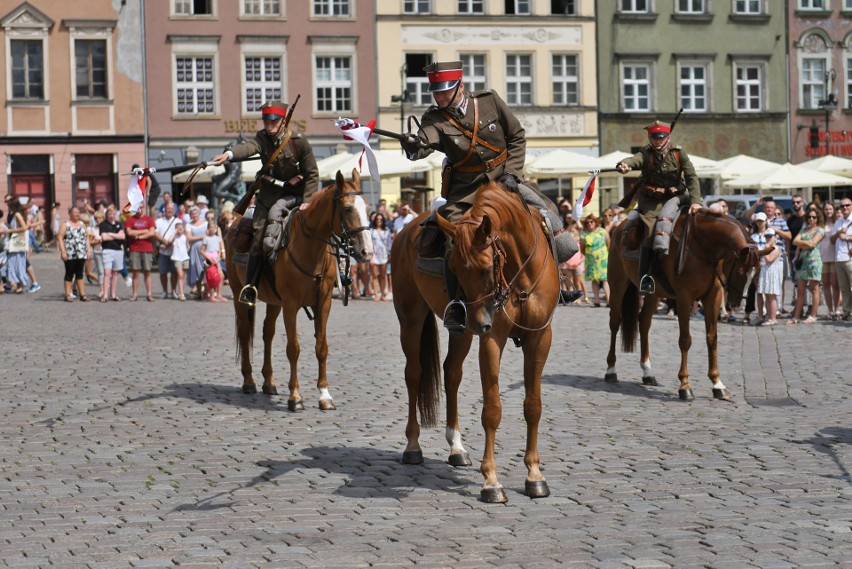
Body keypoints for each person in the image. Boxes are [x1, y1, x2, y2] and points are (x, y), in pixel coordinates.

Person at [400, 60, 579, 332]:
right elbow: (424, 144)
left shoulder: (489, 101)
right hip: (465, 192)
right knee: (455, 239)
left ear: (459, 86)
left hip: (504, 180)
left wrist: (512, 173)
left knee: (546, 212)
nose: (439, 96)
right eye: (435, 92)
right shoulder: (434, 119)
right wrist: (413, 147)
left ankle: (556, 284)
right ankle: (457, 304)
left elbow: (516, 136)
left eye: (444, 90)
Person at [210, 100, 319, 306]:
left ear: (283, 121)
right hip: (268, 197)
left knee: (319, 229)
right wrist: (228, 154)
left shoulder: (299, 142)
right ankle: (250, 286)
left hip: (297, 196)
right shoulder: (262, 138)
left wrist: (308, 201)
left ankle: (332, 277)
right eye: (266, 122)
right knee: (259, 234)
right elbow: (248, 148)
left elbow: (312, 173)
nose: (269, 126)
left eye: (273, 122)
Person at [615, 120, 702, 295]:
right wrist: (624, 165)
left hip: (677, 197)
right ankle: (645, 277)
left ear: (668, 137)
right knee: (651, 231)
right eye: (655, 138)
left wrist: (695, 201)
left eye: (661, 138)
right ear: (650, 138)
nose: (658, 141)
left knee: (702, 224)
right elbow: (634, 160)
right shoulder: (646, 153)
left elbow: (691, 176)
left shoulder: (678, 153)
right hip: (651, 202)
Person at [788, 208, 825, 324]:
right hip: (803, 261)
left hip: (814, 261)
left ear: (818, 218)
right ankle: (796, 317)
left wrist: (803, 243)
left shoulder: (820, 230)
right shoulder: (804, 229)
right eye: (809, 217)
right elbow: (794, 241)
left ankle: (813, 315)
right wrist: (806, 243)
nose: (811, 219)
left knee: (814, 288)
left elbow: (813, 243)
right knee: (800, 290)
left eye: (814, 217)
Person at [750, 213, 782, 326]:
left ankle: (772, 317)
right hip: (764, 271)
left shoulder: (775, 248)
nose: (768, 238)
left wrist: (767, 246)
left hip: (771, 273)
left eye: (770, 237)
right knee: (765, 294)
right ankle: (767, 316)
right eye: (767, 237)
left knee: (771, 295)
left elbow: (768, 259)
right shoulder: (757, 238)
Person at [124, 206, 157, 302]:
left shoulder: (149, 219)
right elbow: (129, 232)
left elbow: (152, 233)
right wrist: (144, 231)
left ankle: (149, 294)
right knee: (135, 273)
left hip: (146, 248)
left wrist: (138, 237)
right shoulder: (130, 219)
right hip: (134, 249)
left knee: (147, 272)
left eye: (141, 207)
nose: (139, 209)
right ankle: (134, 294)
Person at [57, 206, 90, 302]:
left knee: (80, 274)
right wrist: (63, 251)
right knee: (69, 273)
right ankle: (68, 294)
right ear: (70, 214)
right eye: (75, 212)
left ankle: (82, 294)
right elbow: (60, 238)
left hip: (81, 253)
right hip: (70, 253)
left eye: (78, 212)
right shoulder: (65, 225)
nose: (77, 214)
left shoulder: (82, 224)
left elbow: (86, 237)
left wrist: (88, 250)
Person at [580, 213, 610, 307]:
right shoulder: (584, 234)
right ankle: (597, 301)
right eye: (587, 222)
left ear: (595, 222)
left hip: (603, 260)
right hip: (591, 260)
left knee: (605, 280)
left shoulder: (602, 231)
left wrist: (603, 254)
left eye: (591, 221)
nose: (589, 224)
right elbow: (582, 248)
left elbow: (608, 243)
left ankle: (609, 300)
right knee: (594, 281)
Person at [830, 198, 852, 320]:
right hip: (839, 258)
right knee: (844, 288)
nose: (844, 208)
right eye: (842, 206)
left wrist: (847, 238)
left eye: (847, 205)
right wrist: (839, 234)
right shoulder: (838, 222)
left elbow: (845, 237)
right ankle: (847, 311)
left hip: (850, 258)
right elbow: (832, 240)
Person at [98, 207, 125, 301]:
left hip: (118, 250)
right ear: (107, 215)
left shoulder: (119, 224)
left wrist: (110, 234)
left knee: (115, 273)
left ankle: (113, 294)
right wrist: (116, 236)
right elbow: (104, 238)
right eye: (110, 214)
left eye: (113, 213)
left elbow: (122, 236)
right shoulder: (103, 225)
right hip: (107, 250)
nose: (112, 215)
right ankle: (105, 295)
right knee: (107, 272)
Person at [4, 197, 30, 293]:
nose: (7, 204)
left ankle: (20, 285)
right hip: (12, 243)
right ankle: (16, 284)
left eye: (8, 203)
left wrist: (9, 230)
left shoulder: (18, 214)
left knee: (18, 264)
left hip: (17, 243)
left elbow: (24, 228)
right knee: (12, 264)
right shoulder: (11, 214)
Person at [155, 203, 180, 298]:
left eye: (171, 208)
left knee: (174, 272)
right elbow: (155, 233)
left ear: (174, 210)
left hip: (174, 251)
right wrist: (164, 241)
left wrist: (169, 243)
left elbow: (180, 233)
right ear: (164, 209)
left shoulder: (178, 221)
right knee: (163, 272)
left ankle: (173, 291)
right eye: (168, 208)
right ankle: (164, 291)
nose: (169, 210)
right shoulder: (159, 221)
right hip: (162, 250)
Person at [200, 221, 226, 302]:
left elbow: (218, 251)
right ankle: (211, 295)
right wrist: (209, 259)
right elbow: (201, 250)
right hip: (209, 261)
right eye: (210, 228)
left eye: (213, 228)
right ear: (208, 229)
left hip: (216, 260)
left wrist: (218, 258)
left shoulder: (217, 238)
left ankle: (219, 294)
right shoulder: (206, 239)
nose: (212, 229)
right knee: (211, 278)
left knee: (221, 276)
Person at [185, 206, 208, 300]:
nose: (194, 215)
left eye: (196, 214)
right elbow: (189, 238)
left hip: (206, 248)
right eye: (192, 214)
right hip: (194, 250)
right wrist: (202, 236)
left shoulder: (205, 223)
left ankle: (207, 292)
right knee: (196, 270)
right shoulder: (188, 225)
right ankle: (199, 292)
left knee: (206, 270)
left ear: (199, 214)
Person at [370, 213, 392, 301]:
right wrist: (370, 256)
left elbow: (389, 242)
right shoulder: (371, 230)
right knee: (374, 275)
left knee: (383, 275)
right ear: (375, 221)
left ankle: (383, 294)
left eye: (381, 219)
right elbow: (369, 243)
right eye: (377, 219)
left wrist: (389, 253)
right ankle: (376, 294)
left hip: (384, 254)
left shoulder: (386, 230)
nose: (379, 221)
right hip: (374, 254)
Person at [168, 221, 190, 301]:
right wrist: (175, 232)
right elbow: (169, 240)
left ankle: (181, 292)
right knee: (180, 275)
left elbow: (188, 246)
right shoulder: (174, 237)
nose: (180, 229)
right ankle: (181, 293)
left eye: (181, 228)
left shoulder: (185, 237)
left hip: (185, 257)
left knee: (183, 276)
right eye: (178, 228)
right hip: (177, 258)